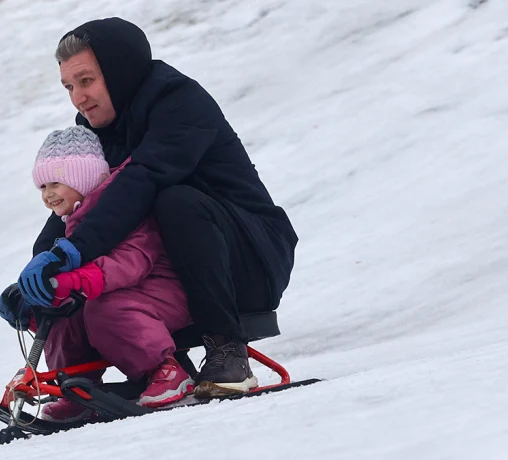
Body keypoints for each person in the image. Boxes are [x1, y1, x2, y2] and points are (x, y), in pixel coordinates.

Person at [18, 17, 298, 397]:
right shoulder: (94, 128)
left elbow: (143, 179)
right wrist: (42, 268)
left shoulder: (179, 103)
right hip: (165, 271)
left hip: (249, 259)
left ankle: (227, 350)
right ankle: (105, 382)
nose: (78, 98)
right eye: (69, 86)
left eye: (87, 81)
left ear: (119, 72)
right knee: (88, 266)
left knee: (174, 199)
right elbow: (77, 205)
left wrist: (76, 249)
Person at [0, 126, 195, 420]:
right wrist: (34, 299)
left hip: (163, 292)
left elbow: (132, 261)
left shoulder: (121, 206)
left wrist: (76, 280)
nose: (48, 195)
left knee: (105, 309)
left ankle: (165, 370)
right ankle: (76, 389)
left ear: (85, 177)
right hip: (119, 294)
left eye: (55, 183)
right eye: (42, 187)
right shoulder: (70, 220)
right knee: (64, 313)